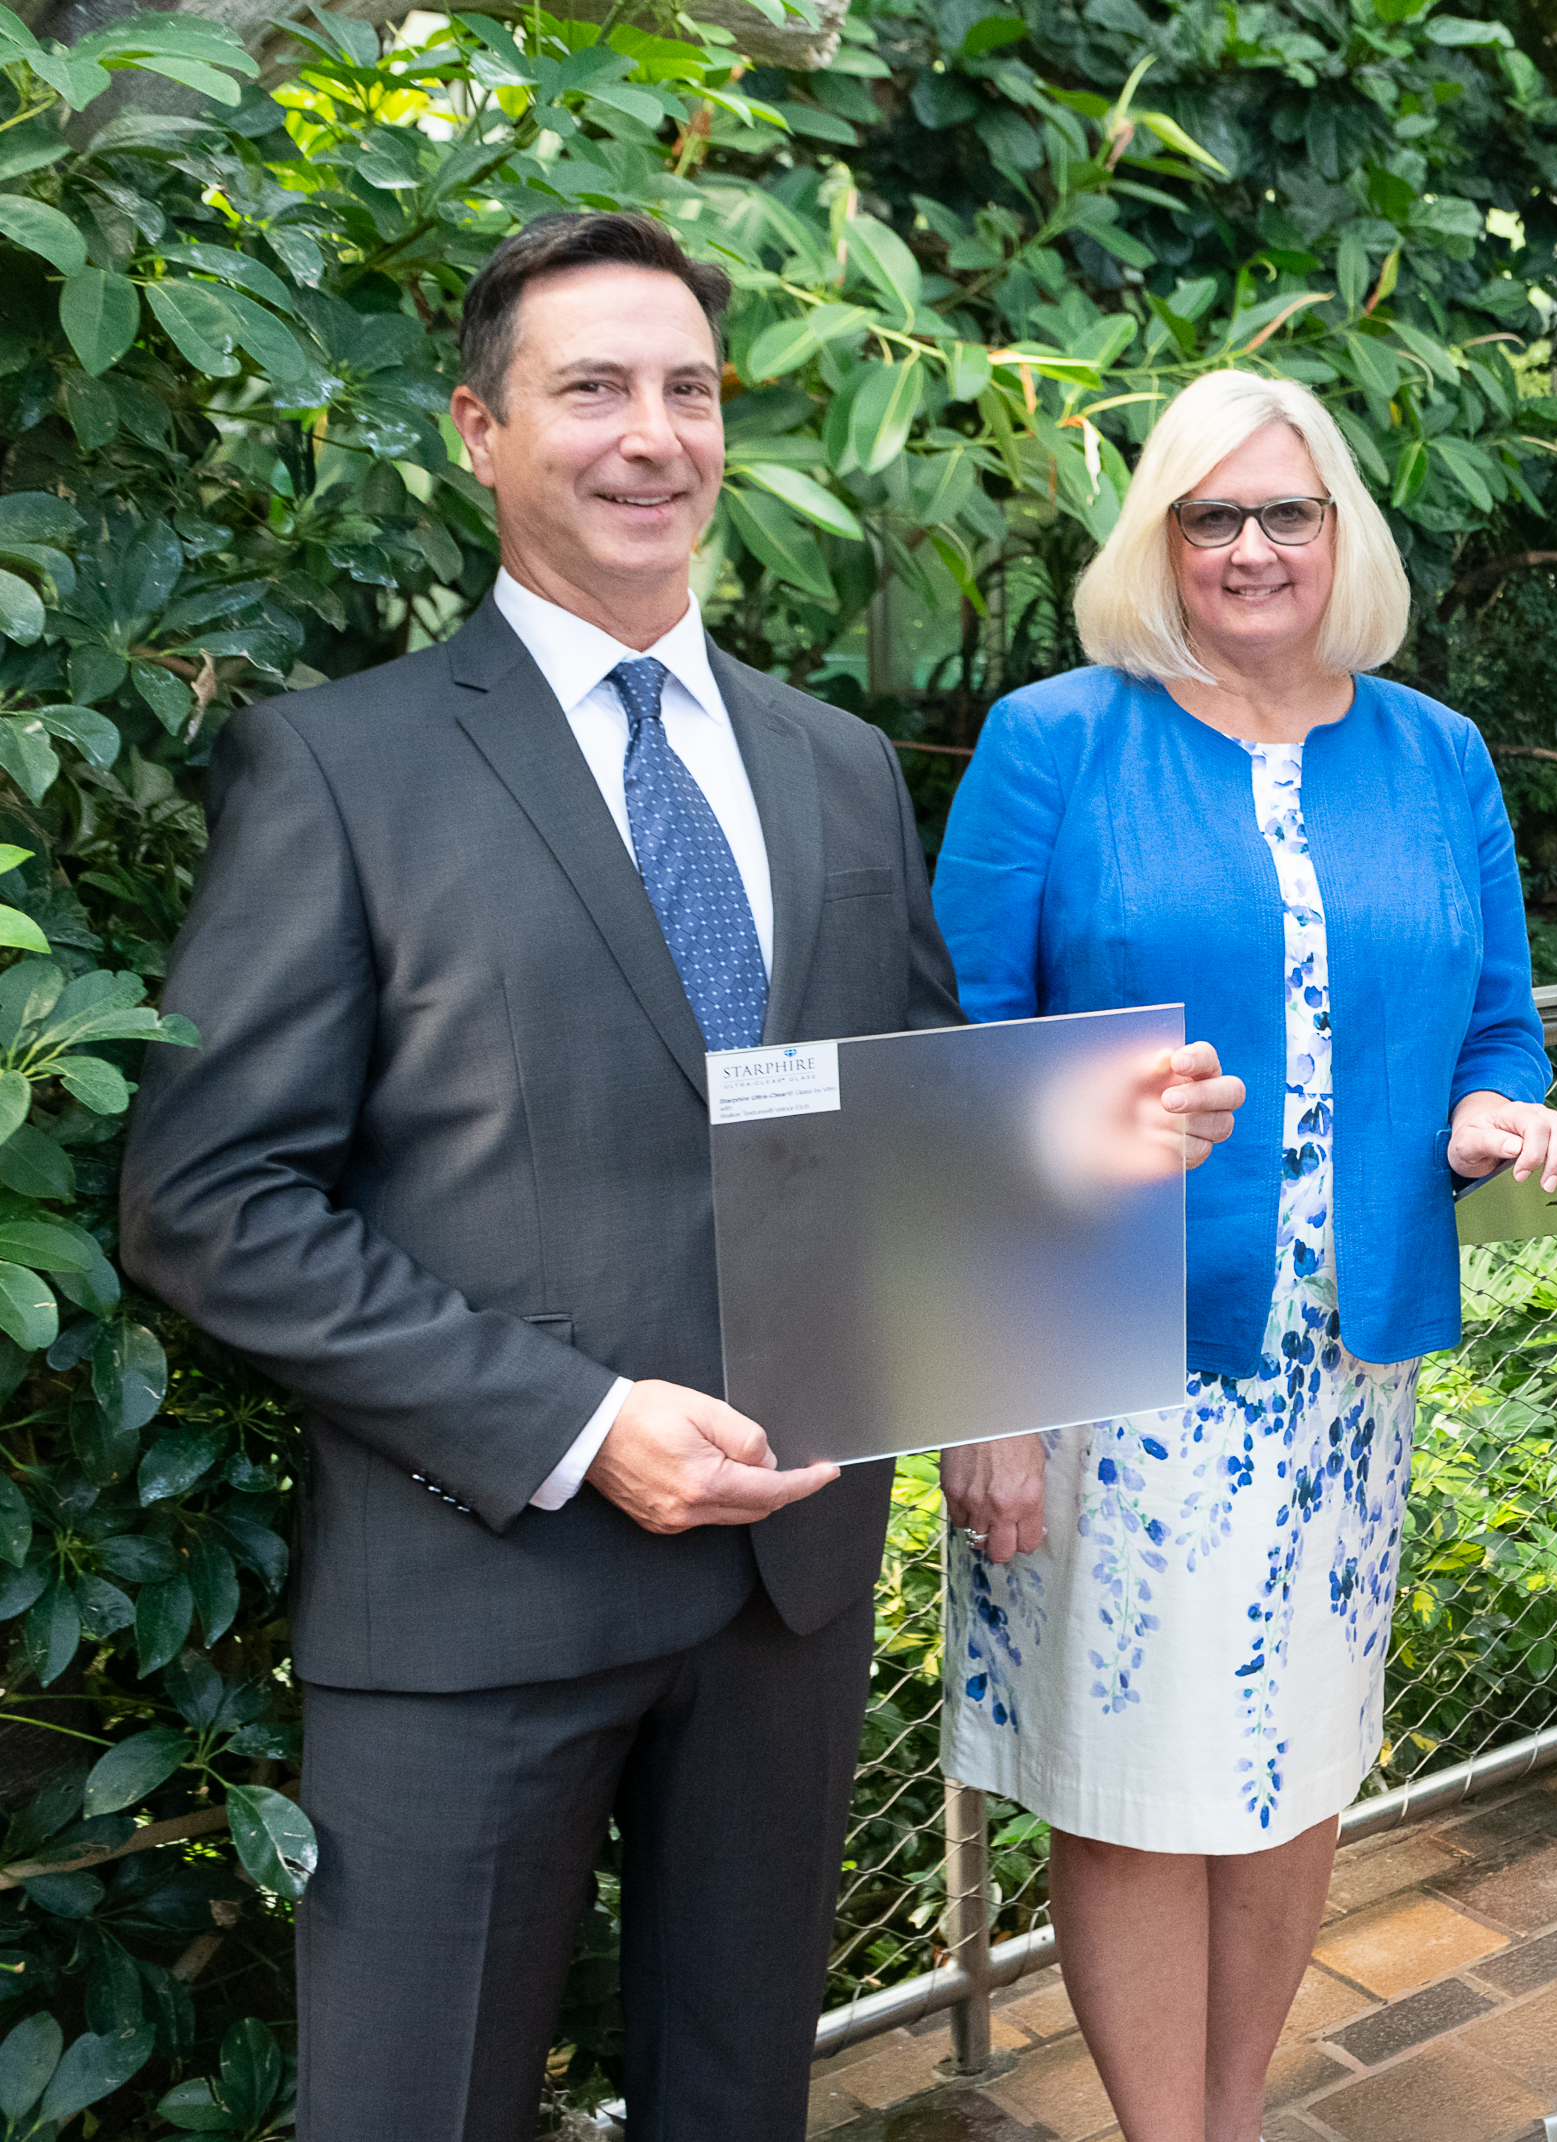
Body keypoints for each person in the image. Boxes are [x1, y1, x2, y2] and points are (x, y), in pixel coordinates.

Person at [116, 210, 1244, 2142]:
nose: (654, 435)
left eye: (691, 391)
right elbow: (206, 1199)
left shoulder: (832, 766)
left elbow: (897, 1123)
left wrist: (1077, 1155)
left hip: (782, 1594)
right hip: (473, 1594)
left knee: (739, 2106)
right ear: (477, 429)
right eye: (592, 389)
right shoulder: (340, 767)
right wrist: (576, 1422)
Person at [929, 367, 1557, 2142]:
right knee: (1135, 1790)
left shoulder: (1437, 754)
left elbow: (1499, 1027)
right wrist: (980, 1394)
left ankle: (1228, 2117)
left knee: (1295, 1763)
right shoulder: (1055, 741)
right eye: (1207, 515)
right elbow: (960, 1064)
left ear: (1340, 533)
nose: (1247, 547)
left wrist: (1487, 1116)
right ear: (1157, 539)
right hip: (1101, 1364)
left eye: (1283, 513)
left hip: (1341, 1371)